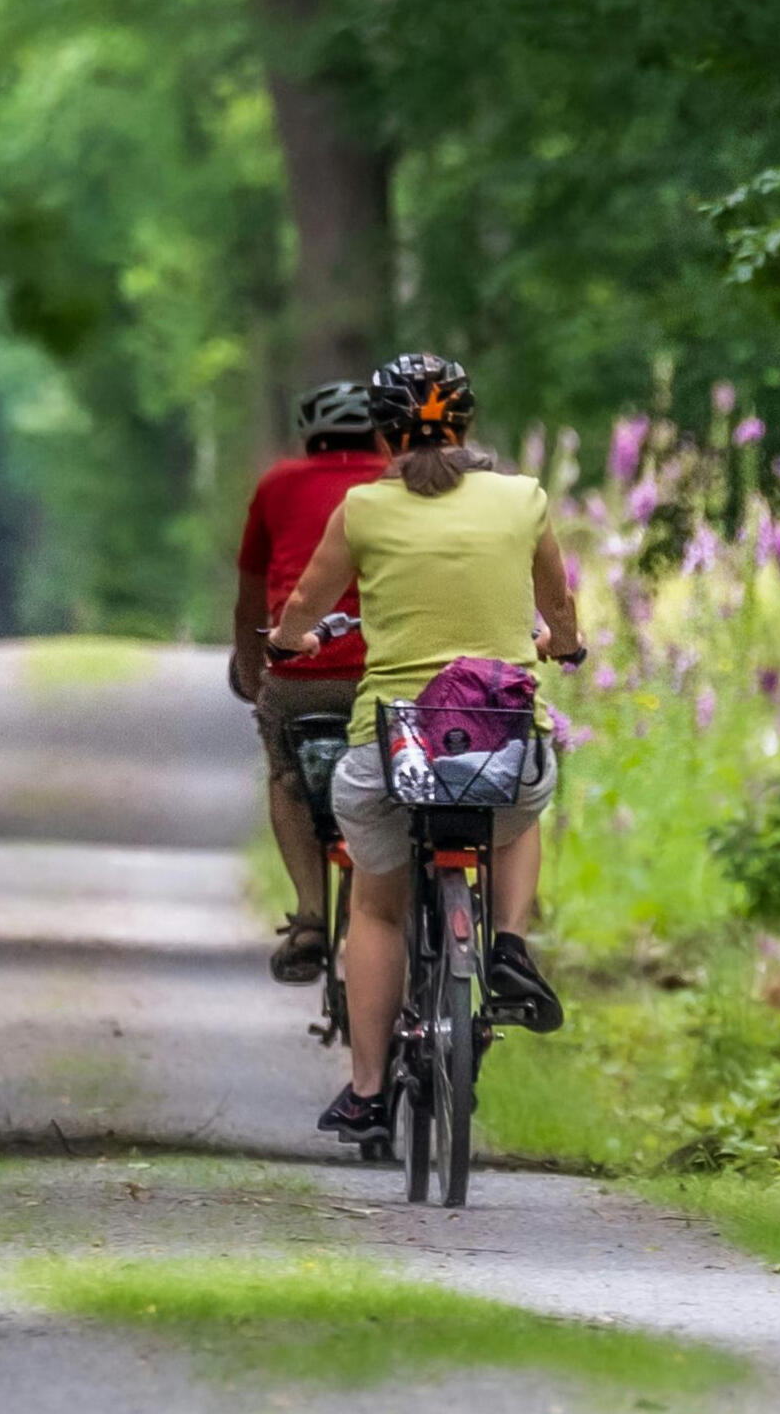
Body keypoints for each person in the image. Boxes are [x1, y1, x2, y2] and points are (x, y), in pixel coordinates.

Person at [264, 352, 585, 1142]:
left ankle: (369, 1091)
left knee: (374, 907)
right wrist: (562, 643)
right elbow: (559, 606)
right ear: (468, 423)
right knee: (520, 807)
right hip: (499, 738)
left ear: (383, 434)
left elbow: (306, 605)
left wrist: (289, 641)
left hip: (395, 743)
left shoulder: (363, 509)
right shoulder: (523, 500)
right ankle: (507, 945)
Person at [233, 381, 387, 984]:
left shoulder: (278, 484)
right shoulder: (399, 484)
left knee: (288, 775)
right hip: (388, 672)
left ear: (310, 433)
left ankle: (311, 919)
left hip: (303, 676)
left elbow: (252, 597)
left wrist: (254, 674)